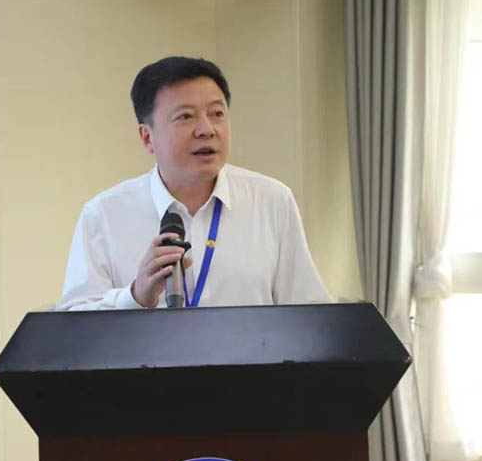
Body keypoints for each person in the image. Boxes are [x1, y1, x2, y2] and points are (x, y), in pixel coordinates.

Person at [55, 56, 331, 311]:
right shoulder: (104, 215)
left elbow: (310, 311)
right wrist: (135, 297)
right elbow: (72, 324)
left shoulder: (272, 200)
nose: (206, 130)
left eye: (217, 114)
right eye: (185, 116)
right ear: (147, 137)